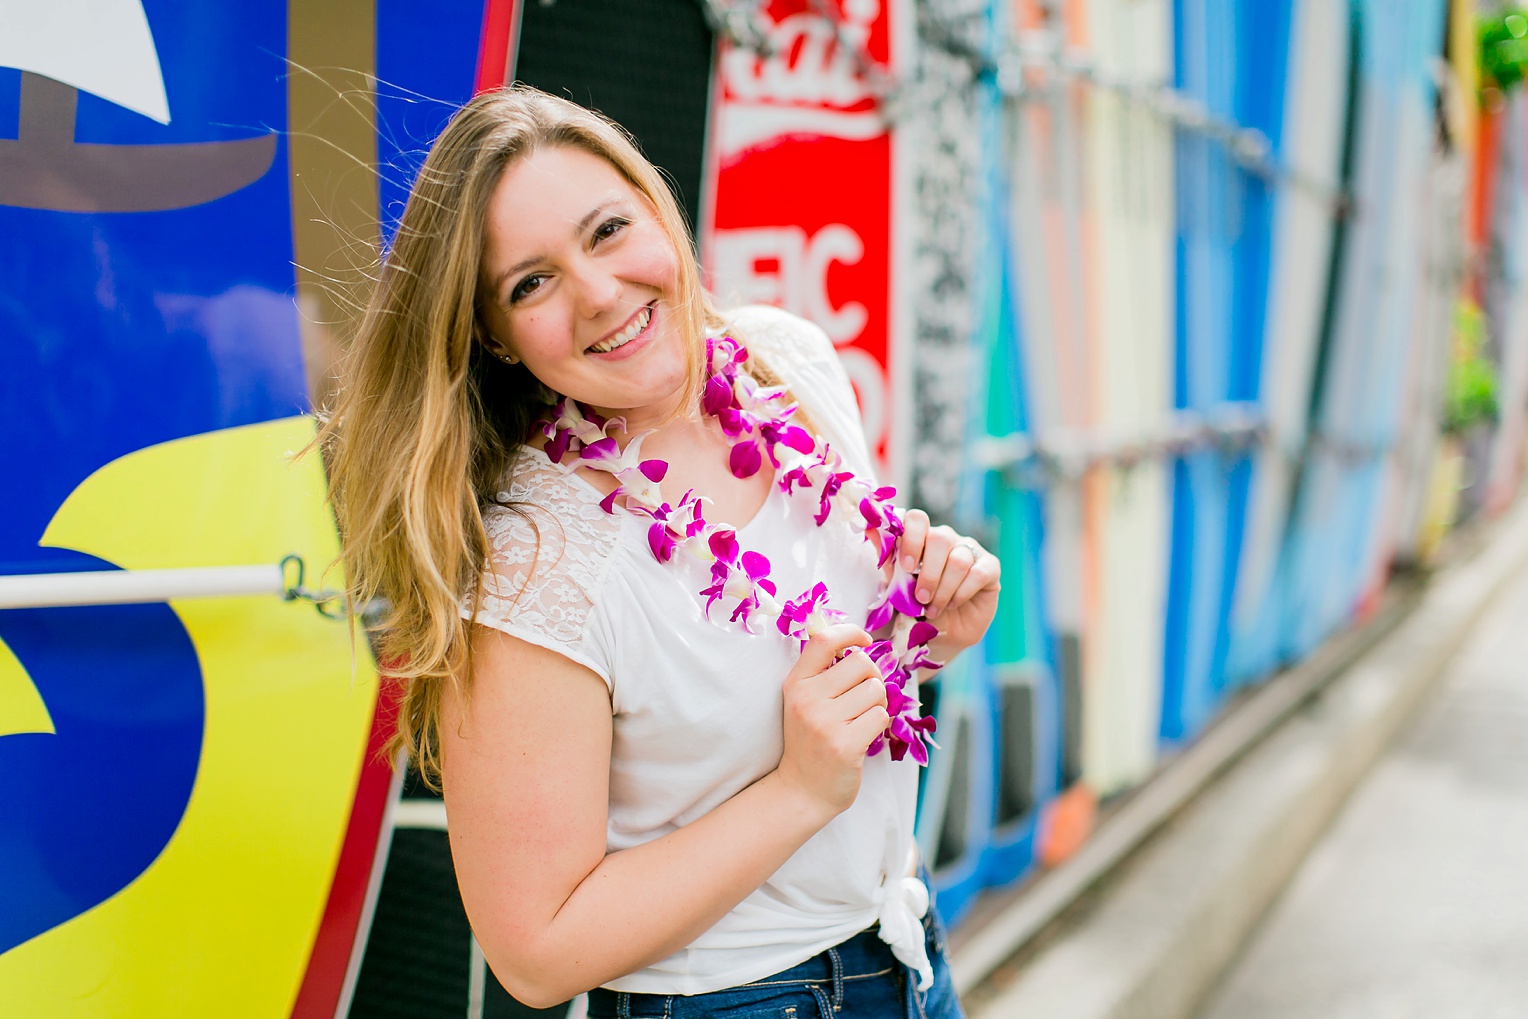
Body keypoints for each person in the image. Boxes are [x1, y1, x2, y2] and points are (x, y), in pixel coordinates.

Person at [322, 86, 999, 1018]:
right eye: (531, 282)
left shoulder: (788, 364)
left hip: (908, 952)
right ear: (495, 336)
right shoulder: (536, 559)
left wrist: (925, 635)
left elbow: (794, 681)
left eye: (606, 231)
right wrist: (798, 791)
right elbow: (537, 949)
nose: (600, 293)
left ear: (657, 207)